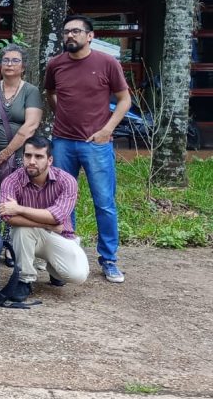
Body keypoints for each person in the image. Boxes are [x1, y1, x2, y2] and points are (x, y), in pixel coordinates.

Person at [44, 15, 131, 283]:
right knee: (62, 202)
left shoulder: (107, 63)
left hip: (96, 144)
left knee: (104, 202)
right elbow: (51, 94)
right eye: (67, 31)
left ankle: (108, 259)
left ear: (90, 36)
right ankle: (65, 259)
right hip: (62, 143)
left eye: (77, 31)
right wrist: (62, 117)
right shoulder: (56, 65)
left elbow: (124, 99)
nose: (70, 35)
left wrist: (107, 130)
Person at [0, 136, 90, 300]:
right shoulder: (11, 181)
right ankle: (24, 280)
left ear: (49, 160)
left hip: (60, 236)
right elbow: (7, 217)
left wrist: (19, 209)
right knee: (21, 230)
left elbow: (56, 216)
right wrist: (47, 224)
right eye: (28, 155)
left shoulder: (67, 181)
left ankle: (53, 268)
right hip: (31, 237)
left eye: (38, 156)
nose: (31, 161)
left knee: (78, 275)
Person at [0, 44, 43, 254]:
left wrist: (6, 153)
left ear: (23, 66)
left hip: (18, 156)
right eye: (6, 60)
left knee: (15, 200)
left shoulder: (30, 91)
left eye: (15, 61)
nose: (10, 64)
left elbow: (30, 125)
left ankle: (10, 246)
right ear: (0, 64)